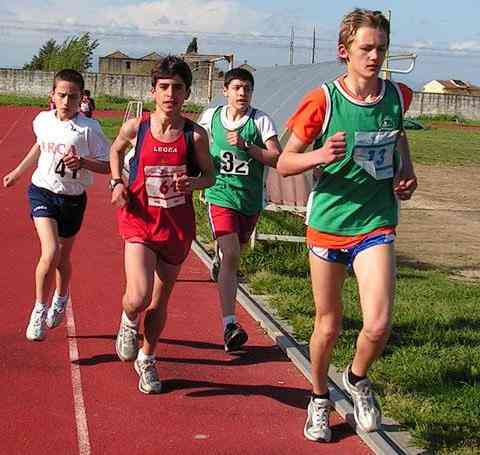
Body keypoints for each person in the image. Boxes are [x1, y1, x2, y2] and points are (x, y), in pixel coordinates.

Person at [277, 9, 417, 442]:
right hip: (329, 225)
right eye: (366, 48)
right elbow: (284, 162)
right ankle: (319, 398)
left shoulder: (398, 96)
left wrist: (406, 172)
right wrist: (320, 156)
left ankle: (356, 379)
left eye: (381, 48)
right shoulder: (323, 101)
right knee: (329, 325)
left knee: (377, 325)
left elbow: (398, 136)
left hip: (376, 222)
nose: (375, 56)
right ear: (345, 52)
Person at [110, 55, 214, 394]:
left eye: (178, 88)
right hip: (139, 221)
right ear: (153, 91)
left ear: (187, 93)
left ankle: (148, 358)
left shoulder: (194, 135)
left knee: (159, 301)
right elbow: (115, 151)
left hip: (175, 227)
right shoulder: (136, 127)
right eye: (164, 87)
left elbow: (210, 175)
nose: (171, 94)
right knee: (137, 296)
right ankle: (127, 321)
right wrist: (116, 183)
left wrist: (193, 184)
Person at [3, 69, 110, 341]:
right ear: (52, 95)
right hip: (42, 191)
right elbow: (39, 146)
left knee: (62, 258)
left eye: (72, 97)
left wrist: (84, 162)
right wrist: (17, 173)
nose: (66, 101)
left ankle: (61, 297)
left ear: (81, 98)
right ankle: (39, 308)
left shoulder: (89, 129)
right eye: (61, 95)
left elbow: (109, 165)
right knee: (49, 252)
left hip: (72, 199)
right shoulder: (42, 120)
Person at [198, 68, 282, 353]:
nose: (242, 94)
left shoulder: (260, 121)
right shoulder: (210, 118)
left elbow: (276, 158)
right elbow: (196, 144)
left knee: (235, 252)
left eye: (247, 88)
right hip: (219, 194)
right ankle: (229, 325)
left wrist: (248, 146)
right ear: (225, 91)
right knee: (232, 254)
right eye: (236, 88)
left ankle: (221, 262)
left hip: (249, 200)